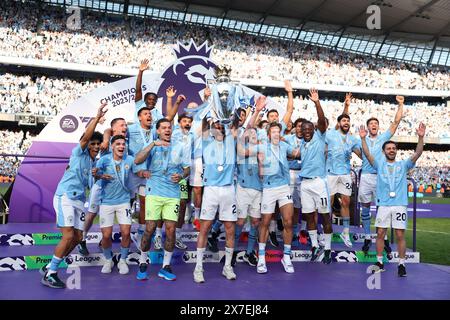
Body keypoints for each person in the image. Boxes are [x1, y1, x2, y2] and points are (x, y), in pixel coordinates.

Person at [41, 103, 107, 288]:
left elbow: (89, 185)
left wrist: (98, 176)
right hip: (65, 197)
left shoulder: (94, 164)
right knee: (69, 235)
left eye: (97, 144)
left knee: (78, 237)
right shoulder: (79, 153)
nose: (94, 146)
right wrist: (96, 117)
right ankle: (51, 273)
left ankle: (48, 267)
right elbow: (86, 137)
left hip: (79, 201)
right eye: (91, 143)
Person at [359, 122, 425, 277]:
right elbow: (368, 154)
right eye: (388, 148)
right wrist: (363, 139)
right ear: (383, 151)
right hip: (383, 205)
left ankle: (401, 265)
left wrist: (421, 137)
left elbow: (418, 153)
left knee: (400, 235)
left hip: (400, 205)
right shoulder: (378, 164)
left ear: (396, 151)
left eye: (393, 148)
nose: (391, 150)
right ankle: (380, 262)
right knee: (380, 233)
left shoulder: (403, 164)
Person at [134, 118, 190, 280]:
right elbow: (137, 160)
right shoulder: (152, 146)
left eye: (169, 128)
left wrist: (181, 175)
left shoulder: (180, 146)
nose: (167, 130)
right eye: (164, 128)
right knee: (150, 228)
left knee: (171, 230)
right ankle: (143, 262)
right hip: (154, 192)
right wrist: (153, 144)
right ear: (158, 130)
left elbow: (187, 169)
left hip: (173, 193)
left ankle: (166, 266)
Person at [358, 96, 404, 255]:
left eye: (376, 124)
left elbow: (396, 122)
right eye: (371, 124)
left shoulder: (384, 138)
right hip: (365, 176)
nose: (374, 126)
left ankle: (382, 238)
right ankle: (366, 237)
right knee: (364, 208)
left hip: (380, 178)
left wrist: (400, 104)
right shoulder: (361, 139)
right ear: (368, 127)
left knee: (381, 208)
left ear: (378, 127)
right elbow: (359, 152)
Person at [193, 120, 237, 283]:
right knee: (204, 228)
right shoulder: (206, 141)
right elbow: (204, 125)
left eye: (221, 126)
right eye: (215, 126)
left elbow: (235, 123)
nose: (218, 127)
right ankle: (198, 268)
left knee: (230, 229)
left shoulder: (231, 140)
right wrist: (209, 104)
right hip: (211, 189)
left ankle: (227, 267)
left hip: (228, 189)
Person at [257, 120, 300, 274]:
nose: (276, 133)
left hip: (284, 187)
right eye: (273, 131)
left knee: (288, 222)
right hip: (268, 188)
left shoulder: (284, 146)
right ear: (269, 134)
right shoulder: (262, 147)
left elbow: (297, 153)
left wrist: (310, 145)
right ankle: (261, 258)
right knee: (265, 222)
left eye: (278, 131)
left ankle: (286, 257)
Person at [299, 89, 333, 264]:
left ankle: (327, 249)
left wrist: (316, 102)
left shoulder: (319, 137)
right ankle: (314, 246)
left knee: (325, 216)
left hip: (319, 183)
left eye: (309, 128)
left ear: (314, 129)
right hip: (304, 184)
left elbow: (321, 120)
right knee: (309, 216)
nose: (306, 131)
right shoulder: (301, 144)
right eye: (304, 129)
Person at [95, 134, 137, 274]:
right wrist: (100, 175)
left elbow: (138, 171)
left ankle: (123, 260)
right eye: (118, 144)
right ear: (112, 146)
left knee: (126, 233)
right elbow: (95, 174)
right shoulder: (104, 160)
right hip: (106, 202)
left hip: (124, 202)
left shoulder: (129, 159)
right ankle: (108, 260)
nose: (121, 146)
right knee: (106, 236)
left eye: (123, 144)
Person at [326, 96, 361, 247]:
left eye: (348, 121)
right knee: (328, 203)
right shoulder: (331, 134)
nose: (346, 122)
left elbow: (360, 153)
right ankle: (326, 233)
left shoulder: (353, 139)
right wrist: (346, 106)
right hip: (330, 174)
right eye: (343, 121)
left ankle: (345, 233)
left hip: (345, 174)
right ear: (339, 123)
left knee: (346, 202)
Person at [172, 113, 194, 250]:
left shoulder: (192, 136)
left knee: (182, 205)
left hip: (183, 177)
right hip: (169, 175)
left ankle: (178, 236)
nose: (187, 123)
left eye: (189, 121)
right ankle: (158, 235)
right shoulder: (173, 133)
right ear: (179, 122)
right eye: (184, 121)